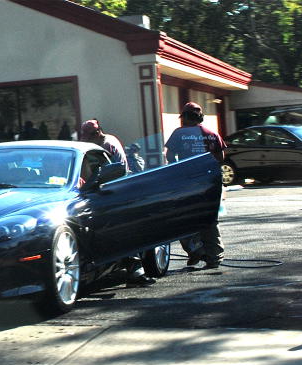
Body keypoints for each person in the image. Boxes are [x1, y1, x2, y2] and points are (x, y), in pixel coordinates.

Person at [80, 119, 153, 287]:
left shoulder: (105, 146)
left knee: (121, 230)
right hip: (112, 188)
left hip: (115, 191)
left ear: (97, 133)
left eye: (88, 137)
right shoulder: (107, 141)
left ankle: (135, 271)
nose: (86, 140)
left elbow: (104, 173)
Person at [165, 102, 226, 268]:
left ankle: (195, 250)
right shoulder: (212, 133)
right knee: (210, 218)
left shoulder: (179, 134)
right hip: (210, 182)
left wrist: (180, 170)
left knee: (184, 217)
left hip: (188, 182)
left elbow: (170, 156)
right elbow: (220, 158)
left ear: (184, 117)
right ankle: (214, 256)